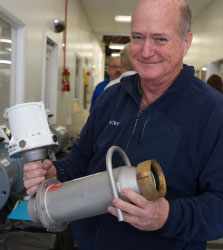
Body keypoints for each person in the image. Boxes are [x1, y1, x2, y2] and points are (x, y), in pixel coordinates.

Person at [23, 0, 223, 249]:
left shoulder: (214, 111)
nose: (146, 50)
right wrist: (55, 172)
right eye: (138, 37)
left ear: (186, 41)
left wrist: (167, 215)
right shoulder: (111, 98)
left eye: (160, 39)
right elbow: (81, 162)